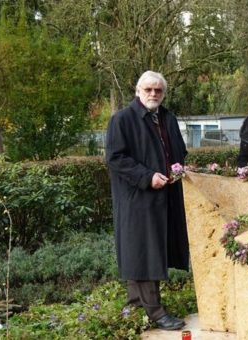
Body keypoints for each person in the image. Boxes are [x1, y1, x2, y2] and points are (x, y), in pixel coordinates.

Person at [105, 71, 189, 331]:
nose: (153, 94)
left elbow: (179, 150)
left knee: (145, 251)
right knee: (144, 252)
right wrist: (147, 176)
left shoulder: (167, 118)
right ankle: (155, 311)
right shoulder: (122, 119)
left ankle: (135, 304)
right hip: (137, 198)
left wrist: (178, 168)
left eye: (158, 90)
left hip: (164, 197)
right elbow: (115, 158)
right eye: (148, 90)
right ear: (137, 91)